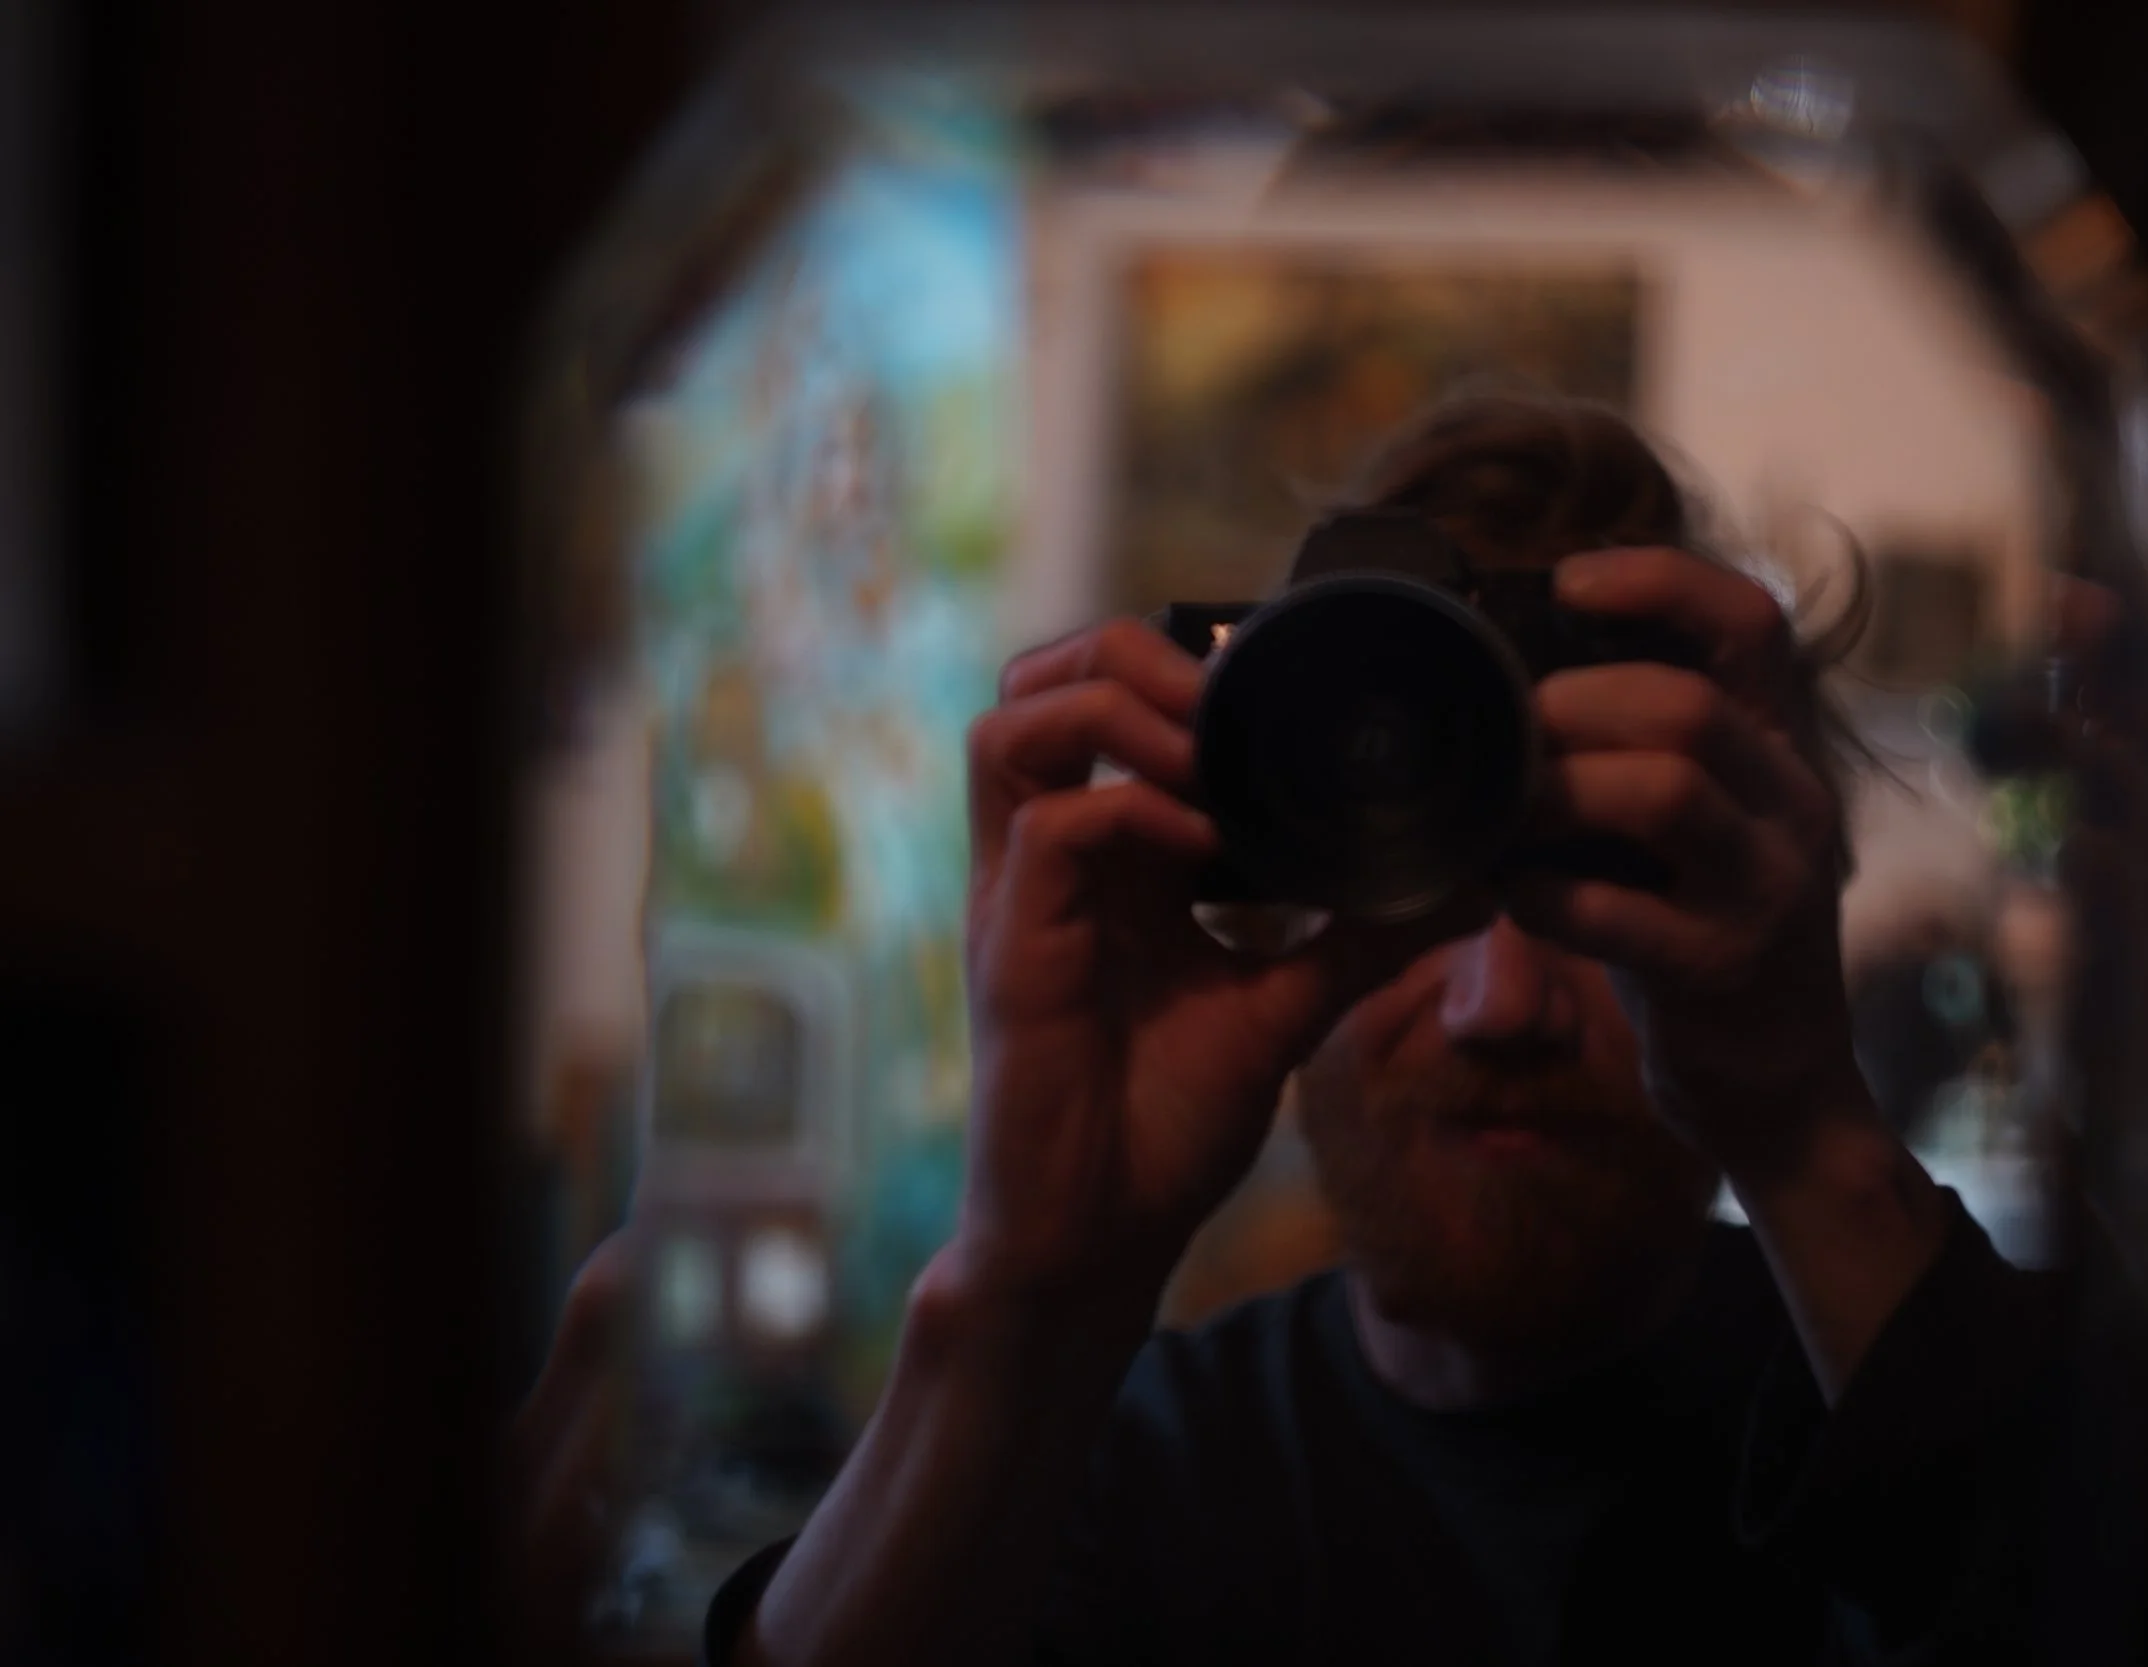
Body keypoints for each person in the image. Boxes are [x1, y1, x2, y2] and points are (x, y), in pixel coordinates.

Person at [703, 394, 2072, 1666]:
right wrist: (1029, 1293)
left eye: (1590, 875)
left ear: (1764, 913)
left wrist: (1805, 1125)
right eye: (1415, 887)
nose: (1499, 1004)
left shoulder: (1909, 1381)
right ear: (1272, 878)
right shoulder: (1110, 1468)